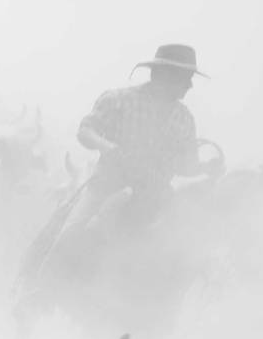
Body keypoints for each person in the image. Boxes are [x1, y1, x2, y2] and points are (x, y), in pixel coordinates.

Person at [56, 44, 223, 241]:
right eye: (185, 78)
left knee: (189, 242)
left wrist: (205, 168)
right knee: (70, 234)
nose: (189, 85)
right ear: (164, 75)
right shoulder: (119, 100)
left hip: (156, 197)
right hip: (106, 188)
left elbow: (184, 165)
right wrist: (107, 147)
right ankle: (45, 270)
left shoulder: (184, 119)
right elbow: (85, 131)